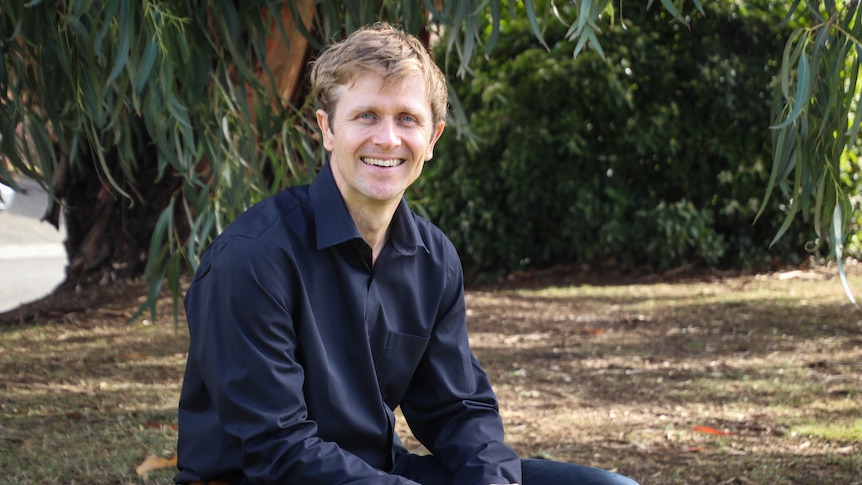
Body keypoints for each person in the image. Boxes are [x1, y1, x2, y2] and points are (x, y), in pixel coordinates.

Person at [174, 22, 639, 485]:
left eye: (407, 119)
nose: (388, 138)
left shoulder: (433, 259)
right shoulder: (251, 259)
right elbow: (278, 451)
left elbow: (457, 409)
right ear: (327, 129)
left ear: (432, 139)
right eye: (366, 116)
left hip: (380, 473)